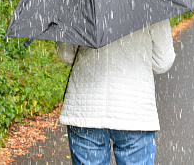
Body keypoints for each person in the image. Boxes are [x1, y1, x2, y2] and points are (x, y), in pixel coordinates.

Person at [56, 19, 176, 165]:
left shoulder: (79, 1)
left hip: (86, 109)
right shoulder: (152, 4)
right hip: (134, 110)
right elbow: (163, 62)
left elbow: (66, 55)